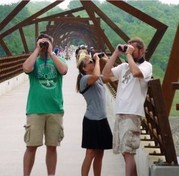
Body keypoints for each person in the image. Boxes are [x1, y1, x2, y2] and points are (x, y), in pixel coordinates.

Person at [102, 37, 152, 176]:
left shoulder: (146, 66)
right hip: (121, 111)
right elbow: (105, 76)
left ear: (141, 50)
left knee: (128, 151)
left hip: (132, 112)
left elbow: (137, 73)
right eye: (127, 48)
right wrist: (116, 53)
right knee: (125, 152)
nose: (129, 50)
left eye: (133, 48)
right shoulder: (124, 67)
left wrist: (128, 55)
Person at [22, 33, 68, 176]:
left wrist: (51, 52)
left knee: (52, 147)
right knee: (31, 146)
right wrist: (37, 50)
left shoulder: (58, 59)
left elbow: (64, 70)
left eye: (46, 43)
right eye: (41, 43)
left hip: (55, 109)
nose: (44, 46)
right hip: (35, 109)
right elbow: (26, 68)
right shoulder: (34, 61)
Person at [76, 52, 113, 176]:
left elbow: (110, 76)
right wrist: (97, 60)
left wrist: (106, 61)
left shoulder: (98, 79)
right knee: (90, 152)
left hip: (102, 119)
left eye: (92, 61)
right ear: (84, 68)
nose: (92, 62)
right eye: (89, 62)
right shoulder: (85, 79)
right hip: (91, 120)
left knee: (100, 153)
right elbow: (96, 75)